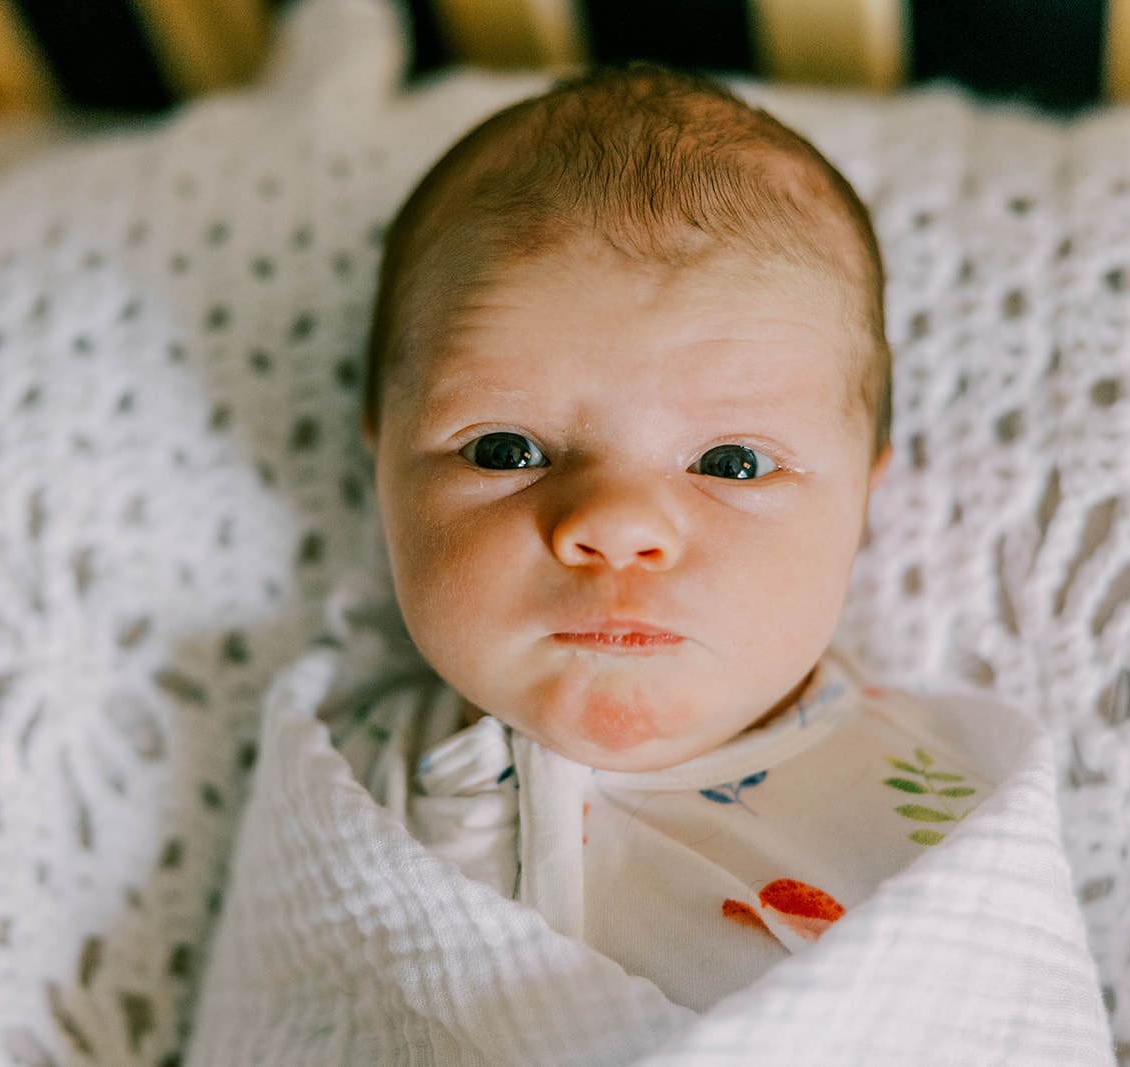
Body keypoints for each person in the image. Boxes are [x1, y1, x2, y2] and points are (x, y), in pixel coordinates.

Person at [336, 60, 1006, 1012]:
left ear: (862, 500)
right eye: (504, 447)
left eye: (731, 464)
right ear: (382, 464)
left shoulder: (938, 825)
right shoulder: (343, 779)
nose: (615, 527)